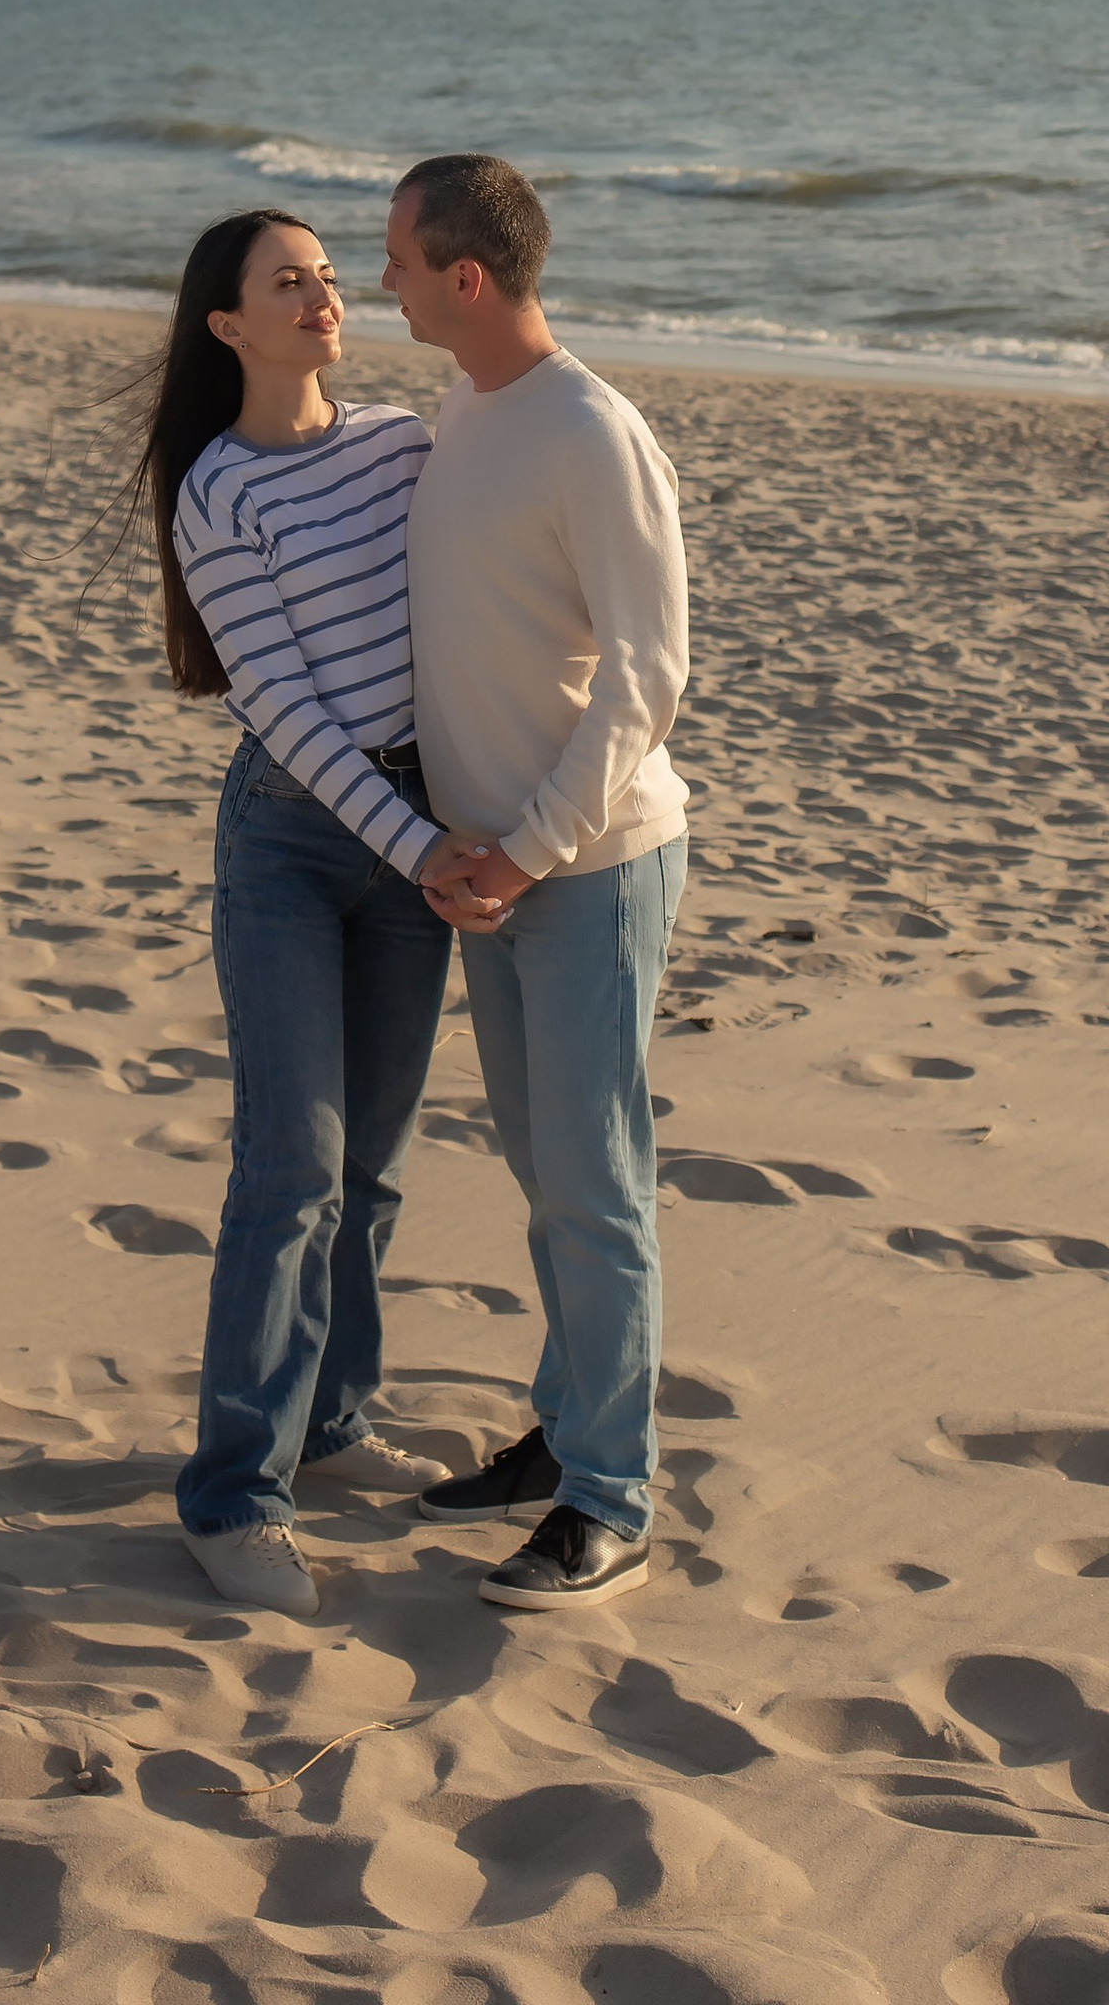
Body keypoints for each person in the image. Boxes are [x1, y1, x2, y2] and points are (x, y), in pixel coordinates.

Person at [130, 207, 474, 1621]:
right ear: (230, 325)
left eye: (332, 276)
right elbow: (281, 707)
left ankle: (332, 1422)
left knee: (374, 1167)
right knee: (293, 1172)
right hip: (294, 838)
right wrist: (420, 849)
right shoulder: (216, 492)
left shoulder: (404, 443)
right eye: (292, 282)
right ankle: (232, 1497)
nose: (324, 295)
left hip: (418, 838)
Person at [384, 151, 691, 1610]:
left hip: (587, 865)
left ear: (465, 275)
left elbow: (647, 677)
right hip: (489, 873)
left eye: (397, 257)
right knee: (544, 1174)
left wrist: (525, 848)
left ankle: (612, 1497)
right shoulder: (468, 404)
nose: (378, 279)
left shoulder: (591, 430)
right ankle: (564, 1435)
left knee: (594, 1183)